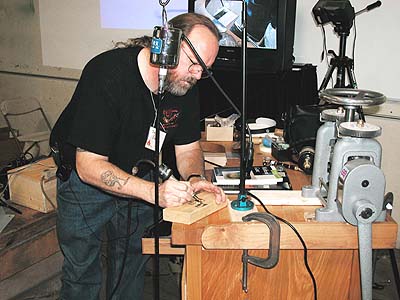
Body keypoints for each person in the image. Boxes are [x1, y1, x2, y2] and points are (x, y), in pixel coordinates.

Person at [50, 12, 226, 300]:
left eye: (204, 70)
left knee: (131, 266)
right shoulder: (107, 73)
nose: (197, 76)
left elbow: (189, 148)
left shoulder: (183, 84)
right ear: (166, 46)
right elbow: (89, 166)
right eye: (194, 64)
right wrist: (154, 193)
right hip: (85, 186)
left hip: (141, 177)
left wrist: (195, 178)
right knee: (82, 274)